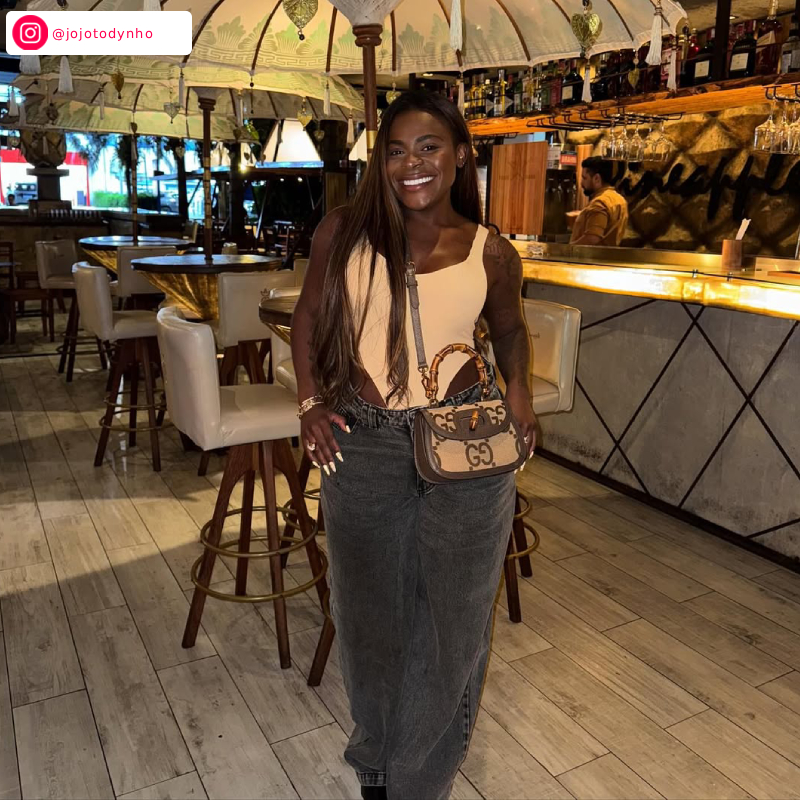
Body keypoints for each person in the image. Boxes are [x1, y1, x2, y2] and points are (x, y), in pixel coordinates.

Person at [291, 90, 536, 800]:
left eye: (429, 147)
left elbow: (510, 330)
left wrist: (519, 389)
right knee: (367, 618)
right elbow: (307, 317)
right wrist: (309, 401)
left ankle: (414, 782)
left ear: (460, 154)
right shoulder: (343, 232)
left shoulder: (492, 251)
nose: (412, 164)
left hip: (466, 442)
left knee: (453, 623)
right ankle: (376, 758)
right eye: (396, 150)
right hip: (363, 442)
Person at [570, 156, 628, 246]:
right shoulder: (620, 199)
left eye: (584, 178)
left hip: (589, 255)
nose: (581, 183)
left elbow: (592, 239)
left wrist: (567, 248)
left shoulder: (599, 203)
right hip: (611, 254)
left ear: (597, 178)